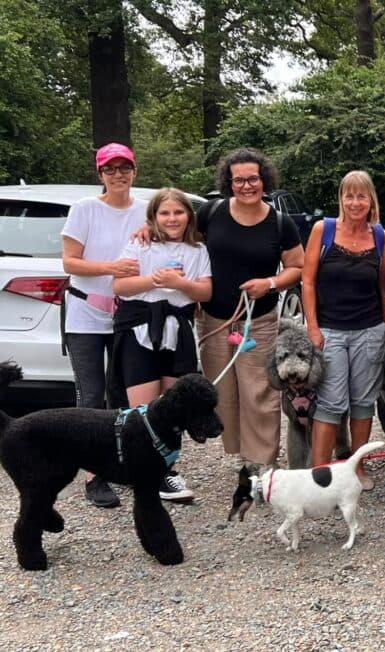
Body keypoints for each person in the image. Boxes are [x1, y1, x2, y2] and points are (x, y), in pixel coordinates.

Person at [196, 148, 303, 493]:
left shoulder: (279, 222)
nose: (246, 185)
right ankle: (241, 453)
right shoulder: (210, 214)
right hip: (215, 320)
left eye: (253, 178)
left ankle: (263, 461)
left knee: (259, 391)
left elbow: (297, 268)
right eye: (239, 179)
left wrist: (268, 283)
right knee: (223, 390)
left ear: (264, 180)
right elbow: (182, 246)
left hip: (259, 320)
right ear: (228, 182)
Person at [111, 188, 212, 503]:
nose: (172, 219)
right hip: (140, 328)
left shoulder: (197, 250)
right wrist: (156, 280)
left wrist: (179, 283)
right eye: (164, 213)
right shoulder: (139, 244)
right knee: (140, 409)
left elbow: (204, 293)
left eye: (178, 212)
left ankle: (167, 471)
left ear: (188, 216)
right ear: (153, 217)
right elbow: (120, 285)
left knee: (172, 407)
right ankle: (138, 469)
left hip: (177, 330)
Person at [61, 142, 146, 508]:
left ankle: (121, 463)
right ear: (100, 175)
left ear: (134, 171)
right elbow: (69, 262)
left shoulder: (146, 210)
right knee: (91, 396)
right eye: (110, 169)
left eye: (123, 167)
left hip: (128, 315)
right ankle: (94, 476)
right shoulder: (84, 209)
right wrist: (111, 267)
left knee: (124, 397)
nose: (118, 175)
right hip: (85, 315)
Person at [302, 170, 385, 487]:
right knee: (331, 402)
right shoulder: (322, 230)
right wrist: (312, 326)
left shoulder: (380, 236)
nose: (355, 202)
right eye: (349, 195)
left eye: (361, 196)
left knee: (364, 403)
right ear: (341, 198)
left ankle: (356, 467)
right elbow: (308, 281)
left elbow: (381, 288)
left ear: (370, 200)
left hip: (370, 329)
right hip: (331, 330)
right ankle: (319, 471)